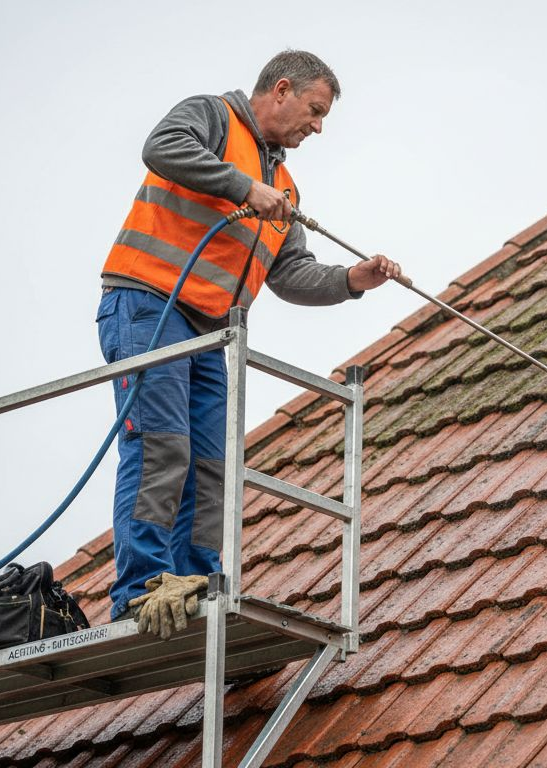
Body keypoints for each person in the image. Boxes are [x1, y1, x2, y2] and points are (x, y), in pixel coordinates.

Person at [95, 50, 401, 636]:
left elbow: (289, 274)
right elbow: (162, 147)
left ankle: (195, 583)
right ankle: (142, 590)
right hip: (148, 304)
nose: (318, 126)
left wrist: (351, 281)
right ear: (281, 89)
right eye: (314, 111)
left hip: (210, 331)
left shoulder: (284, 187)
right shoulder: (212, 117)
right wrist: (245, 187)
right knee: (161, 446)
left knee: (211, 464)